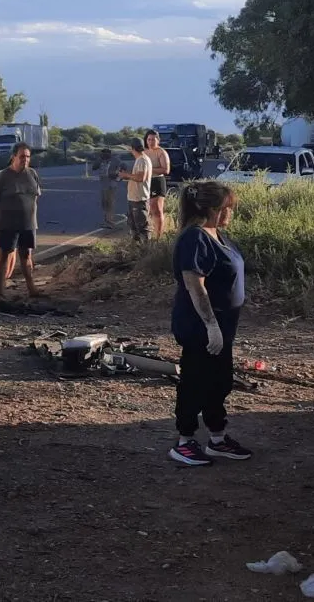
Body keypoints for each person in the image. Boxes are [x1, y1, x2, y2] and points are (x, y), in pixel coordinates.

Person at [167, 181, 252, 466]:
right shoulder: (195, 238)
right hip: (200, 327)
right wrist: (211, 325)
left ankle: (217, 438)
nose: (230, 213)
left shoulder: (218, 235)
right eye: (227, 208)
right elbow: (195, 285)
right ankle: (184, 440)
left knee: (219, 382)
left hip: (224, 326)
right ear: (212, 209)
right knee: (195, 381)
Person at [0, 143, 42, 300]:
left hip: (28, 223)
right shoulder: (3, 176)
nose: (25, 160)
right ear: (14, 157)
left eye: (28, 157)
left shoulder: (32, 174)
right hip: (8, 223)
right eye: (22, 156)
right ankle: (1, 291)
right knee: (5, 254)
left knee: (26, 255)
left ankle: (32, 289)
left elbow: (36, 195)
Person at [119, 138, 153, 242]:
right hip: (135, 198)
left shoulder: (142, 160)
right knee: (135, 227)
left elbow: (140, 178)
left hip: (139, 199)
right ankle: (138, 251)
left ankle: (146, 251)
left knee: (142, 228)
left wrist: (126, 175)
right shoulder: (140, 159)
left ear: (132, 148)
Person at [144, 130, 172, 239]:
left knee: (157, 210)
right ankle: (150, 233)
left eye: (153, 139)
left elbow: (166, 170)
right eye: (149, 139)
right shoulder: (145, 152)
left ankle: (158, 237)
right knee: (149, 209)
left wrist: (150, 169)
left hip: (158, 181)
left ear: (158, 140)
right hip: (147, 182)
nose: (151, 142)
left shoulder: (161, 152)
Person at [91, 147, 118, 228]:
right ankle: (107, 220)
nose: (105, 155)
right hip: (104, 184)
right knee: (104, 204)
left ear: (109, 154)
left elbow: (123, 167)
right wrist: (99, 159)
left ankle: (110, 222)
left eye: (106, 154)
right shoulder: (101, 160)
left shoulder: (115, 160)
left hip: (111, 184)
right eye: (103, 154)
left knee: (110, 203)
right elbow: (94, 167)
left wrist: (116, 175)